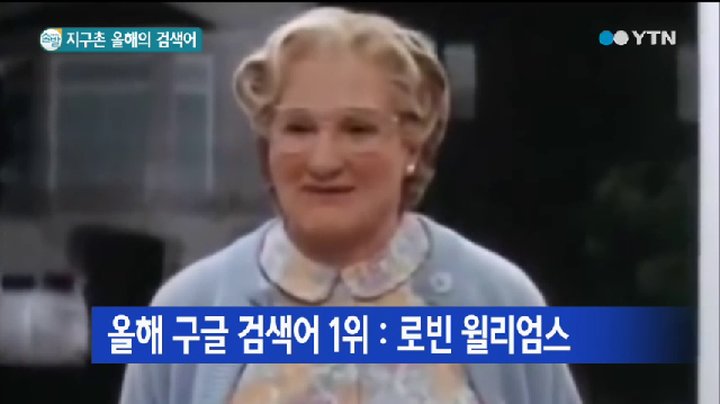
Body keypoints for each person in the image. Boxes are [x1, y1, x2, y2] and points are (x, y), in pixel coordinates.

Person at [120, 6, 582, 404]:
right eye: (298, 129)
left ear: (412, 146)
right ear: (267, 145)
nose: (323, 161)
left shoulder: (499, 299)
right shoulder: (186, 309)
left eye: (358, 130)